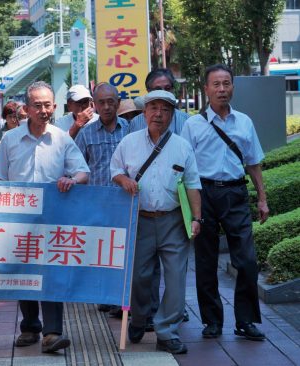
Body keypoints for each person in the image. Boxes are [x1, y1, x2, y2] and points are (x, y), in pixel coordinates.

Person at [0, 81, 89, 354]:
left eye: (48, 105)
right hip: (18, 219)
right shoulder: (10, 139)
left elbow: (83, 172)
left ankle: (52, 332)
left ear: (54, 108)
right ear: (26, 108)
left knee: (51, 273)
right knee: (24, 272)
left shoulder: (62, 138)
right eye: (38, 105)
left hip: (53, 219)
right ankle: (30, 326)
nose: (44, 110)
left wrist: (71, 180)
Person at [181, 64, 269, 341]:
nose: (221, 89)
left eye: (226, 84)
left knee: (247, 261)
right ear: (205, 89)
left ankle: (245, 320)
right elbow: (184, 167)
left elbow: (253, 163)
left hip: (235, 194)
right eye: (216, 84)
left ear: (233, 87)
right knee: (205, 261)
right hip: (203, 195)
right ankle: (212, 321)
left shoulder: (244, 122)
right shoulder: (192, 124)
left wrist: (262, 200)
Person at [110, 90, 202, 354]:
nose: (158, 114)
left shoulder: (182, 146)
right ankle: (139, 319)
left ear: (172, 115)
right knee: (139, 278)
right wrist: (123, 180)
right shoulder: (129, 142)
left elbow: (193, 184)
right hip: (140, 221)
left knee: (176, 279)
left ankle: (167, 331)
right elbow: (114, 169)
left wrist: (197, 218)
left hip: (173, 220)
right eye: (154, 108)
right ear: (145, 112)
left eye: (165, 109)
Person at [74, 83, 128, 317]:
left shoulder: (130, 130)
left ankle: (119, 297)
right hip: (96, 203)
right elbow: (77, 166)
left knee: (123, 252)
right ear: (94, 105)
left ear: (118, 102)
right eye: (101, 102)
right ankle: (103, 295)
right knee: (101, 252)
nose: (106, 107)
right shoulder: (86, 133)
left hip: (124, 201)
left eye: (111, 102)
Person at [128, 68, 189, 134]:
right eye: (158, 89)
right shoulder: (136, 123)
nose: (163, 93)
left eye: (167, 88)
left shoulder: (186, 121)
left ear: (173, 89)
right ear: (148, 91)